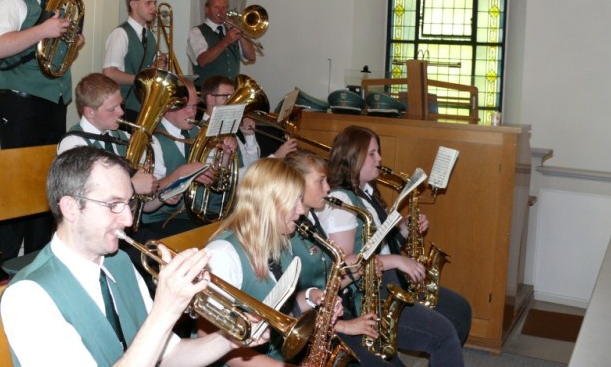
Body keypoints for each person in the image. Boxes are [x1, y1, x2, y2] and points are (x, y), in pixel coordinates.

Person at [0, 146, 266, 366]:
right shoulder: (28, 296)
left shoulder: (120, 262)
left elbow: (168, 356)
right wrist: (166, 310)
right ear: (70, 208)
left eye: (129, 204)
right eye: (114, 205)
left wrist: (231, 338)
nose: (128, 219)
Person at [326, 125, 472, 366]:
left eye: (378, 152)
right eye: (372, 153)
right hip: (371, 293)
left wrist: (405, 229)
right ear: (352, 156)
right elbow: (346, 267)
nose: (379, 159)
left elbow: (382, 244)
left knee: (460, 311)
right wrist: (397, 260)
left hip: (392, 280)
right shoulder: (341, 201)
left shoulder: (367, 192)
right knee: (443, 335)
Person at [0, 0, 76, 267]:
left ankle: (37, 266)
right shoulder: (10, 1)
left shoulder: (54, 1)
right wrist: (44, 31)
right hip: (20, 105)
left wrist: (71, 41)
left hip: (53, 103)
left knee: (45, 190)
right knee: (15, 192)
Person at [284, 150, 402, 367]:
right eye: (320, 181)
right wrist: (346, 326)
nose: (328, 188)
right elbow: (292, 309)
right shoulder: (288, 232)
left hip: (329, 315)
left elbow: (326, 284)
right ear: (297, 184)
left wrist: (358, 269)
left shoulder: (309, 221)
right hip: (311, 329)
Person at [202, 158, 316, 365]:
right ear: (268, 203)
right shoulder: (223, 255)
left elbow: (275, 306)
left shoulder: (280, 241)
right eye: (294, 201)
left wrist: (310, 298)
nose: (301, 210)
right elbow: (207, 338)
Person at [57, 72, 157, 199]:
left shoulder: (122, 136)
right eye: (112, 109)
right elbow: (83, 194)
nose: (121, 112)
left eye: (121, 104)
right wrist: (132, 186)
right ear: (90, 112)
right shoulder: (73, 143)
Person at [140, 77, 215, 239]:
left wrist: (226, 154)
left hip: (194, 216)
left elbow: (215, 177)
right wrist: (180, 174)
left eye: (194, 106)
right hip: (161, 222)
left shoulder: (199, 133)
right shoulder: (152, 140)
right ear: (168, 107)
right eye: (185, 107)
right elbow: (147, 194)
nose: (192, 112)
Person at [101, 0, 161, 122]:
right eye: (148, 3)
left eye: (154, 3)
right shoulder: (120, 34)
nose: (154, 8)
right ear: (133, 4)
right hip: (125, 107)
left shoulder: (151, 35)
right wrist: (141, 80)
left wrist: (158, 66)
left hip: (144, 106)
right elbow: (109, 73)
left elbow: (147, 70)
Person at [187, 0, 257, 88]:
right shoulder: (196, 32)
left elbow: (251, 57)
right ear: (206, 10)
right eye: (217, 7)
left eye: (224, 7)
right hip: (208, 91)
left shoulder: (231, 31)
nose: (221, 11)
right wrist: (225, 41)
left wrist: (239, 32)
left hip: (231, 91)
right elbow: (202, 60)